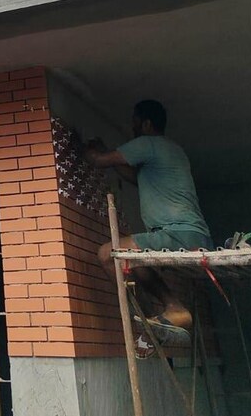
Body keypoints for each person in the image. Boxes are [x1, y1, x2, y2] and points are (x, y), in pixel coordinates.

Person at [83, 99, 212, 347]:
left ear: (147, 124)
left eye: (135, 122)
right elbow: (134, 177)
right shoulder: (172, 151)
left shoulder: (148, 143)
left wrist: (88, 148)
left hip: (176, 233)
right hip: (192, 233)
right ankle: (168, 312)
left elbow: (98, 160)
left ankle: (157, 316)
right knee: (134, 259)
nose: (132, 128)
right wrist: (108, 155)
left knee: (106, 254)